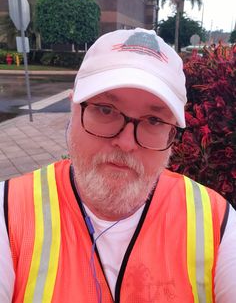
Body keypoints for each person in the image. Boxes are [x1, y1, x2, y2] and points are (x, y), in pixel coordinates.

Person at [0, 28, 236, 303]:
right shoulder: (9, 213)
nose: (126, 143)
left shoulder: (216, 223)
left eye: (154, 120)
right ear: (73, 109)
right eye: (106, 110)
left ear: (172, 135)